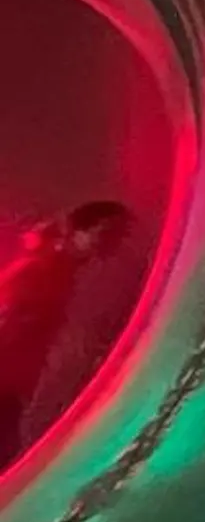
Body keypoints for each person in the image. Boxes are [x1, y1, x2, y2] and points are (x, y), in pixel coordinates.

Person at [0, 199, 136, 467]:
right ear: (80, 231)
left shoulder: (58, 270)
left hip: (13, 386)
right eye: (106, 232)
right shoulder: (42, 268)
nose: (110, 242)